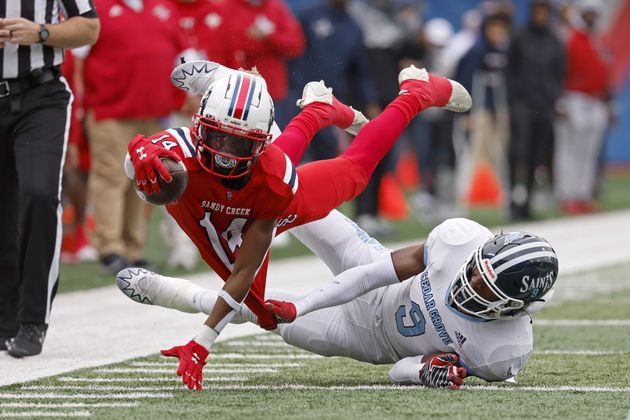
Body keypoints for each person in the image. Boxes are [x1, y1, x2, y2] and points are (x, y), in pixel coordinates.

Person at [124, 62, 471, 390]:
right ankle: (311, 108)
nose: (227, 155)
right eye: (218, 139)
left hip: (257, 211)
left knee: (356, 171)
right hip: (229, 204)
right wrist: (136, 157)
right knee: (271, 166)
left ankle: (415, 93)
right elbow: (136, 159)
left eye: (241, 144)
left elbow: (246, 268)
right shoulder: (177, 148)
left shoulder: (274, 179)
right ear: (200, 127)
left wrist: (203, 340)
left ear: (259, 144)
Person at [117, 209, 558, 389]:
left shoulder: (500, 354)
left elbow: (396, 370)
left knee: (260, 311)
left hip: (366, 338)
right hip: (373, 273)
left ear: (512, 308)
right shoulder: (461, 241)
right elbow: (374, 272)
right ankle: (238, 104)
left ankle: (172, 293)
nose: (469, 285)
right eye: (475, 273)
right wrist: (309, 302)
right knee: (300, 197)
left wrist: (425, 373)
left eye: (484, 290)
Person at [0, 1, 100, 357]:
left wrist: (41, 32)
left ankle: (32, 320)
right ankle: (4, 319)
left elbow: (90, 27)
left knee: (40, 194)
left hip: (40, 97)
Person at [81, 0, 189, 274]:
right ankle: (110, 248)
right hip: (111, 111)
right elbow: (77, 60)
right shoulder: (99, 7)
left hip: (154, 112)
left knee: (143, 180)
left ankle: (132, 247)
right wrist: (80, 106)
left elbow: (184, 52)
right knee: (111, 178)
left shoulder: (162, 7)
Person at [506, 0, 565, 220]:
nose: (541, 16)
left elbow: (559, 70)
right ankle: (513, 199)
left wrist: (553, 96)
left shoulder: (553, 40)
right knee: (519, 151)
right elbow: (510, 70)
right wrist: (513, 100)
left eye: (544, 12)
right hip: (523, 104)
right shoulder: (520, 37)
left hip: (545, 105)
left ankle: (527, 202)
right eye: (537, 11)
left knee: (536, 154)